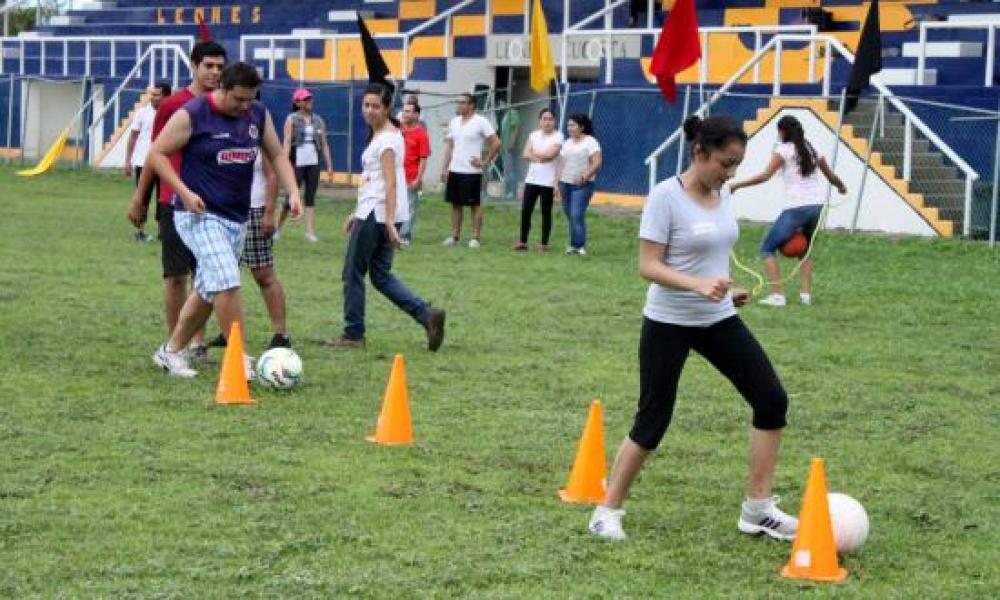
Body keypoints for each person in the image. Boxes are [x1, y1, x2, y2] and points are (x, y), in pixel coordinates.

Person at [587, 114, 798, 543]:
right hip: (669, 321)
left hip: (716, 317)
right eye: (725, 162)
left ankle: (758, 509)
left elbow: (709, 258)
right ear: (699, 153)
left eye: (737, 163)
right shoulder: (666, 196)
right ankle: (606, 510)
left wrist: (725, 290)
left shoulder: (722, 195)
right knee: (653, 420)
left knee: (771, 400)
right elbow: (648, 265)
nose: (731, 173)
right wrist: (698, 285)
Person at [145, 62, 302, 378]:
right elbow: (156, 155)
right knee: (228, 279)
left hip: (236, 219)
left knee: (207, 288)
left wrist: (293, 192)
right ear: (222, 89)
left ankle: (170, 352)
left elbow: (278, 155)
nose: (245, 106)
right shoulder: (194, 113)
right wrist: (185, 192)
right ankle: (239, 358)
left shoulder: (258, 114)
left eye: (250, 99)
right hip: (198, 215)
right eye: (238, 100)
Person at [324, 83, 446, 351]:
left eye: (375, 106)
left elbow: (390, 182)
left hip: (379, 214)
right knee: (380, 275)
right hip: (378, 211)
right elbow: (376, 181)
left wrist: (389, 222)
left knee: (352, 272)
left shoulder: (388, 140)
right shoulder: (386, 134)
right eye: (366, 105)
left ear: (388, 108)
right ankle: (427, 315)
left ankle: (353, 334)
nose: (369, 111)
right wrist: (356, 211)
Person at [127, 40, 227, 365]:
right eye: (208, 66)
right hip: (173, 201)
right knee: (175, 277)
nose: (214, 72)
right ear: (194, 66)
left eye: (219, 67)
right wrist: (141, 197)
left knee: (211, 276)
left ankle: (196, 341)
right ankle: (177, 347)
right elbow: (155, 154)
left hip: (212, 204)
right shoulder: (173, 105)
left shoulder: (224, 105)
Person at [729, 115, 847, 307]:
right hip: (816, 207)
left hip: (797, 207)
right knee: (805, 249)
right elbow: (830, 175)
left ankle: (777, 296)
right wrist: (841, 187)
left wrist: (737, 185)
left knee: (767, 248)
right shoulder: (812, 148)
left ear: (782, 131)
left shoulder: (783, 150)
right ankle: (805, 295)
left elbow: (766, 175)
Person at [209, 146, 293, 351]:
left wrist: (269, 212)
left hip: (254, 210)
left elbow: (272, 174)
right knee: (223, 277)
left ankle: (281, 335)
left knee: (263, 274)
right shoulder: (218, 131)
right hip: (223, 211)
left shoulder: (257, 132)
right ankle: (228, 330)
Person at [440, 92, 501, 249]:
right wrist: (445, 168)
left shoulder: (481, 121)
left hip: (472, 172)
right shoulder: (454, 122)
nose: (459, 105)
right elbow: (449, 145)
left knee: (475, 205)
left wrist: (485, 161)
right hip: (455, 169)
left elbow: (496, 143)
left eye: (462, 102)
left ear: (471, 105)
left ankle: (475, 237)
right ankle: (454, 235)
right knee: (455, 204)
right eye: (458, 102)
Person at [280, 87, 334, 242]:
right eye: (305, 99)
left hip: (313, 162)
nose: (309, 101)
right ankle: (278, 228)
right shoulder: (291, 119)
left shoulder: (319, 120)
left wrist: (329, 166)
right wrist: (284, 163)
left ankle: (310, 232)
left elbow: (324, 144)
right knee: (291, 195)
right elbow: (287, 141)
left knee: (310, 196)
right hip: (297, 162)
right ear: (297, 102)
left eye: (310, 98)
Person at [125, 81, 171, 242]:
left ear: (166, 96)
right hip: (142, 162)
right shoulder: (142, 112)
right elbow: (133, 137)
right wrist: (128, 161)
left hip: (164, 163)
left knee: (163, 198)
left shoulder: (173, 114)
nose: (152, 98)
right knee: (142, 197)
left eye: (156, 95)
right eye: (152, 94)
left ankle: (162, 232)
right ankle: (140, 231)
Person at [514, 108, 562, 252]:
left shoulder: (558, 136)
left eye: (550, 119)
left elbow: (550, 155)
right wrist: (540, 158)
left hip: (548, 181)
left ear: (554, 122)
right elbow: (525, 153)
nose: (547, 122)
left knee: (546, 212)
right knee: (526, 210)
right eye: (544, 119)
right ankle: (523, 241)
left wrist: (535, 154)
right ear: (539, 121)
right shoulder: (533, 135)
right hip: (532, 180)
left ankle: (544, 244)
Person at [555, 114, 602, 255]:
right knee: (569, 214)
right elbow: (561, 163)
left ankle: (579, 245)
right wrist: (556, 181)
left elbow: (597, 162)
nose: (569, 128)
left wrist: (585, 176)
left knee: (576, 214)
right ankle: (573, 245)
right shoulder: (567, 143)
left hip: (582, 185)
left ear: (582, 127)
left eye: (573, 125)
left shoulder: (590, 142)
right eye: (568, 125)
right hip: (565, 183)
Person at [399, 100, 430, 245]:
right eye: (404, 111)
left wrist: (418, 178)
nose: (405, 114)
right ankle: (395, 232)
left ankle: (405, 234)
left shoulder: (421, 134)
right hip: (397, 175)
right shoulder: (398, 129)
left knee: (410, 207)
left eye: (408, 111)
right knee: (395, 205)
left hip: (411, 176)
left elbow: (423, 159)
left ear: (416, 115)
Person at [500, 100, 521, 202]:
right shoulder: (505, 115)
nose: (500, 105)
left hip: (510, 147)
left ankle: (512, 192)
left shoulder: (513, 113)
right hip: (504, 147)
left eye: (502, 103)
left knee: (511, 170)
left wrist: (511, 143)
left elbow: (516, 128)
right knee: (507, 170)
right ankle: (507, 192)